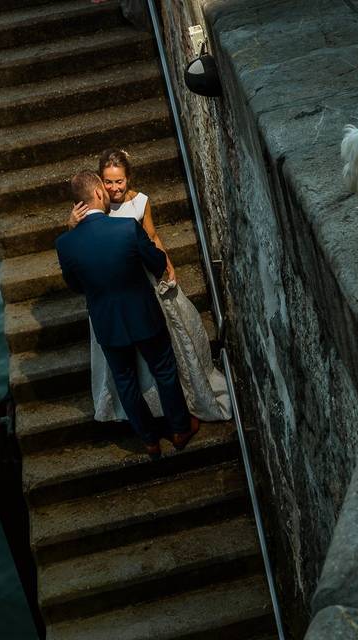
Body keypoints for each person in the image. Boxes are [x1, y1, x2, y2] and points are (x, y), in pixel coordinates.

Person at [68, 148, 231, 426]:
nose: (114, 188)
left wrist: (167, 264)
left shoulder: (141, 202)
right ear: (99, 185)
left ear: (128, 179)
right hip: (119, 284)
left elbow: (152, 235)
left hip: (142, 278)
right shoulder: (90, 211)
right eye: (108, 182)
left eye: (119, 181)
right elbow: (81, 248)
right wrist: (72, 225)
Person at [56, 171, 198, 458]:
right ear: (98, 193)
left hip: (107, 322)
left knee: (125, 381)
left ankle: (148, 440)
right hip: (143, 315)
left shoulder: (65, 243)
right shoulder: (127, 229)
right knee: (164, 371)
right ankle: (180, 429)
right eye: (104, 189)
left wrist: (71, 230)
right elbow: (157, 262)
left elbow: (74, 285)